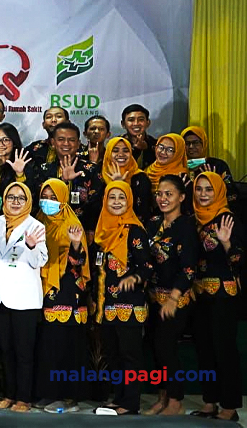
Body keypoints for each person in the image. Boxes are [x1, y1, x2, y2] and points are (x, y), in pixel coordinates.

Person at [0, 183, 48, 413]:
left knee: (23, 352)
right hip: (0, 295)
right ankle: (9, 395)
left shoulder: (36, 226)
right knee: (6, 349)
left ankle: (24, 399)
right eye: (11, 197)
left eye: (21, 198)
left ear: (28, 201)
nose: (15, 202)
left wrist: (31, 246)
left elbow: (40, 260)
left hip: (24, 298)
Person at [93, 181, 152, 415]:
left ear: (129, 201)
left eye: (121, 197)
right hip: (108, 304)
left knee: (130, 356)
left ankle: (131, 403)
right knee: (114, 355)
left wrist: (134, 278)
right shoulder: (102, 230)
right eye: (112, 197)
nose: (116, 202)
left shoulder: (135, 230)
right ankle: (119, 398)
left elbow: (147, 267)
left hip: (131, 304)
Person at [142, 175, 199, 415]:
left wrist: (174, 298)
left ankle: (176, 401)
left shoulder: (186, 226)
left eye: (169, 194)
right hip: (154, 298)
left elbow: (189, 269)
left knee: (166, 348)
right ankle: (162, 397)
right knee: (156, 348)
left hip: (176, 300)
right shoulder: (153, 222)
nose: (162, 198)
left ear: (182, 197)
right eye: (159, 194)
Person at [190, 172, 243, 422]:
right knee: (204, 348)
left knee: (224, 350)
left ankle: (229, 406)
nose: (203, 194)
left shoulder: (227, 218)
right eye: (199, 189)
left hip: (223, 294)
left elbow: (239, 259)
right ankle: (209, 401)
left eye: (209, 189)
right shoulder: (194, 218)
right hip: (200, 294)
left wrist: (226, 243)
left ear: (219, 191)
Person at [34, 179, 89, 413]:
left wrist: (75, 245)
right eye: (44, 196)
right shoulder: (37, 222)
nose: (48, 201)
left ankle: (67, 398)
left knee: (65, 346)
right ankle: (49, 393)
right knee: (48, 346)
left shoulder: (71, 223)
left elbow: (79, 264)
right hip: (44, 290)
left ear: (64, 199)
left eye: (53, 197)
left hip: (67, 293)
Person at [29, 122, 104, 229]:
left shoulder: (91, 169)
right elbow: (36, 200)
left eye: (71, 140)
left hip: (81, 228)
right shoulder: (43, 169)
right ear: (53, 142)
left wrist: (90, 229)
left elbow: (96, 203)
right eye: (61, 139)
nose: (66, 143)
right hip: (49, 227)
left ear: (78, 144)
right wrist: (63, 181)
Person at [0, 123, 31, 219]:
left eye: (6, 140)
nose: (0, 144)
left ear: (14, 142)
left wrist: (19, 173)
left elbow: (28, 194)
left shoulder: (23, 163)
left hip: (10, 217)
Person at [102, 137, 153, 221]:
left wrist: (121, 186)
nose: (121, 154)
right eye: (115, 151)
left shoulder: (140, 178)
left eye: (126, 151)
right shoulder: (99, 174)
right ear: (108, 153)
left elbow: (143, 209)